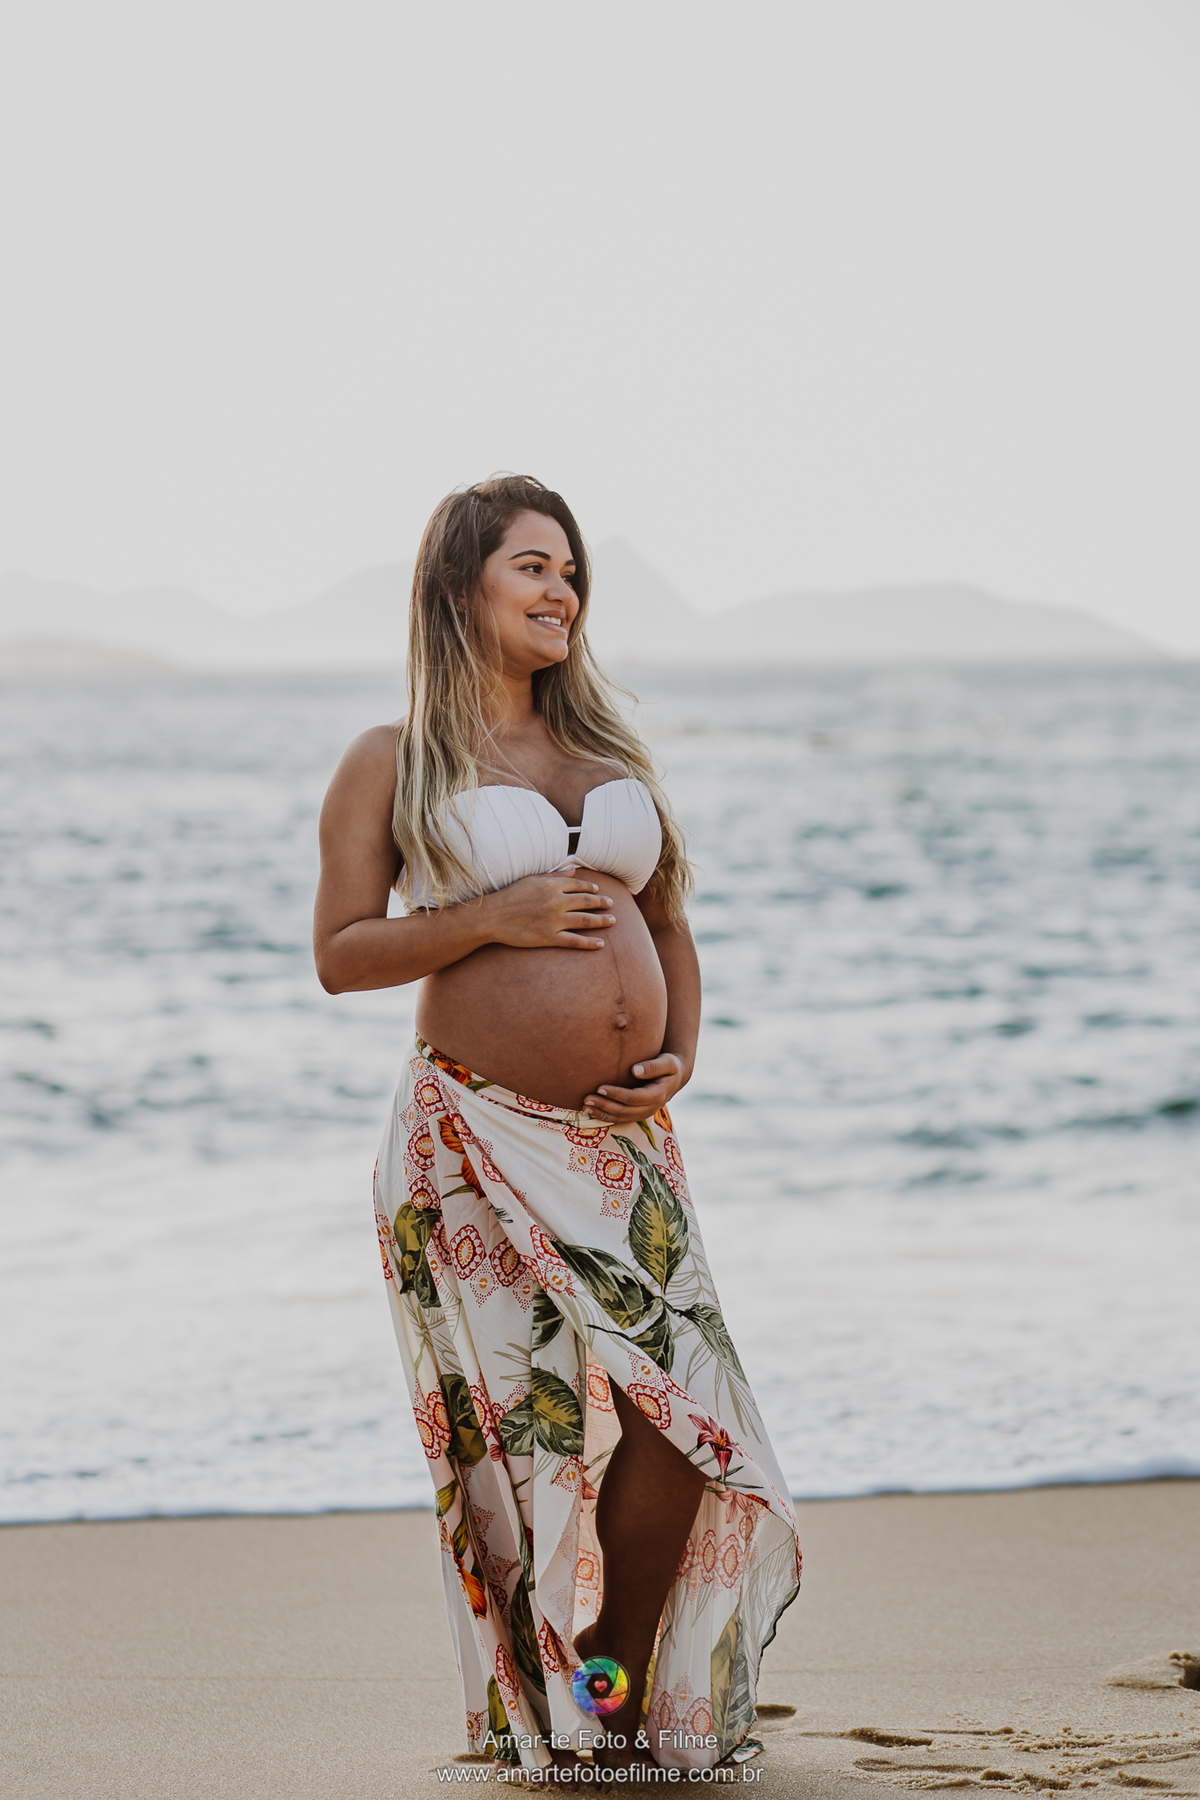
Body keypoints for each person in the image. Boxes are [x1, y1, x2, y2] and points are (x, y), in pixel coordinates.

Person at [313, 475, 800, 1782]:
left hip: (620, 1148)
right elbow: (344, 954)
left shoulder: (611, 762)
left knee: (686, 1414)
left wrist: (678, 1054)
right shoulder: (394, 758)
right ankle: (574, 1713)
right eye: (533, 568)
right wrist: (493, 921)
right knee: (523, 1435)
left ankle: (618, 1676)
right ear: (460, 584)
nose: (561, 593)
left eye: (572, 573)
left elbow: (674, 923)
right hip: (466, 1135)